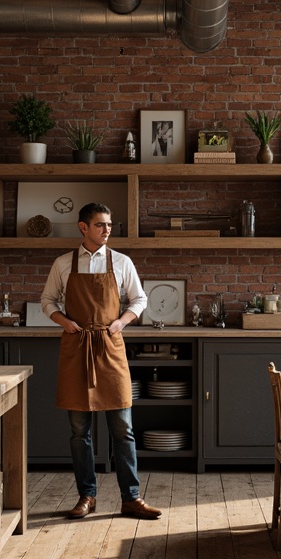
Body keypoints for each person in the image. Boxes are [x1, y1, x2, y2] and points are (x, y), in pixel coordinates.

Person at [40, 202, 161, 520]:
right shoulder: (63, 264)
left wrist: (121, 322)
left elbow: (140, 298)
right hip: (77, 348)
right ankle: (87, 496)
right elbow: (47, 300)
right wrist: (63, 321)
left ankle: (131, 498)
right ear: (83, 227)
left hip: (109, 347)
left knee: (123, 429)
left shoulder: (121, 262)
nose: (107, 230)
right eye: (100, 225)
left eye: (109, 225)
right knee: (80, 432)